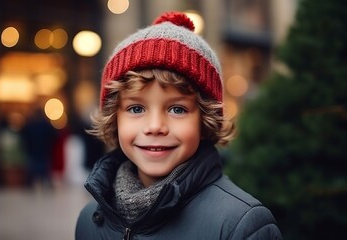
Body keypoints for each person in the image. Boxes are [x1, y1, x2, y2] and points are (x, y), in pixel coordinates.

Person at [76, 11, 282, 239]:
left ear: (205, 120)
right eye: (136, 109)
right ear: (115, 118)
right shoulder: (89, 222)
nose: (155, 126)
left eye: (177, 109)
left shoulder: (241, 226)